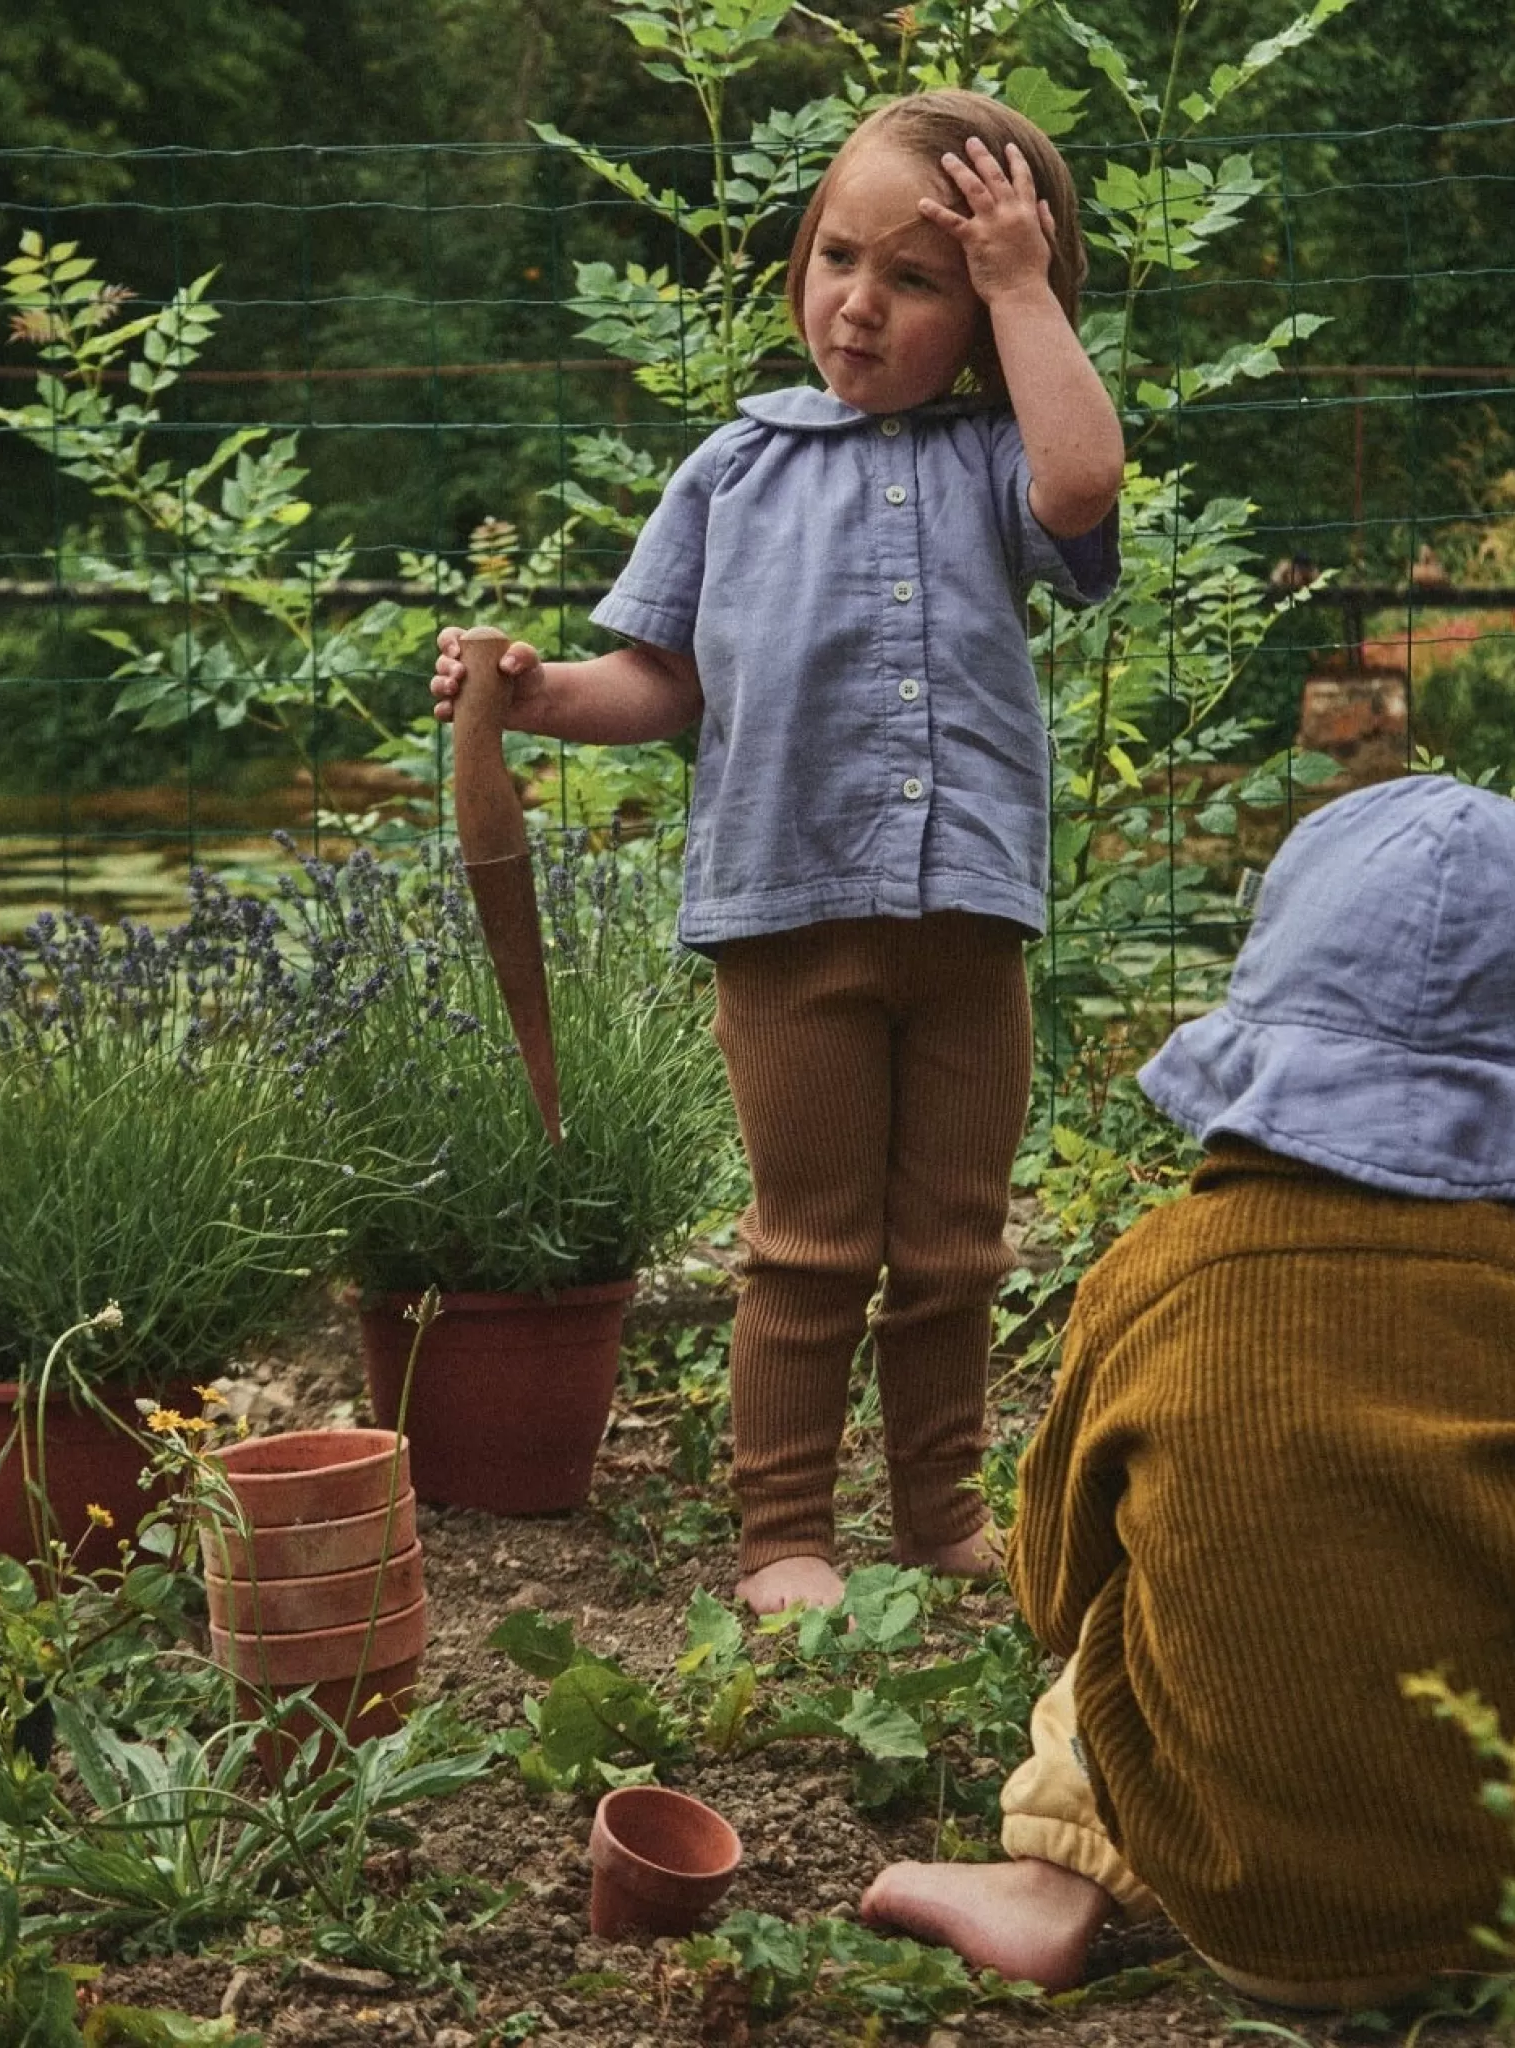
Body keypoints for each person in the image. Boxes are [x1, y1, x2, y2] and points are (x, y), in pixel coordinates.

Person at [861, 775, 1515, 2005]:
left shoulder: (1150, 1280)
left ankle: (1048, 1875)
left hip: (1246, 1910)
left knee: (1110, 1623)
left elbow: (1048, 1587)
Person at [433, 91, 1125, 1617]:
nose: (858, 307)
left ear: (1000, 306)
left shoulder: (1000, 459)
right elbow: (666, 680)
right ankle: (783, 1539)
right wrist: (543, 695)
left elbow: (1085, 489)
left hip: (967, 927)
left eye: (920, 280)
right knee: (809, 1249)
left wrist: (1020, 286)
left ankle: (941, 1512)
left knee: (953, 1250)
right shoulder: (733, 470)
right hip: (788, 924)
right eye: (834, 258)